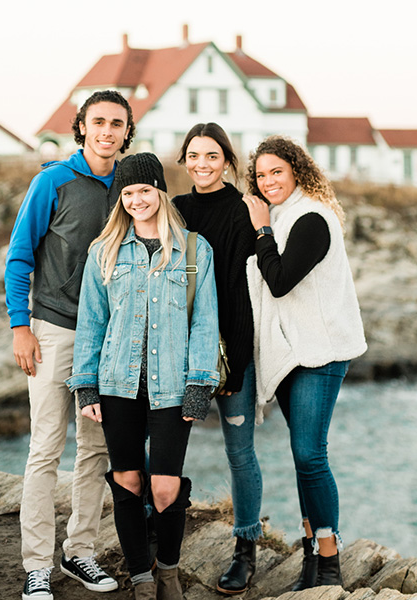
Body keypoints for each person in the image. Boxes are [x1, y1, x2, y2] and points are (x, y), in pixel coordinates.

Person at [67, 152, 220, 600]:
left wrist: (199, 385)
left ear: (160, 192)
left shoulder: (194, 249)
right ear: (121, 198)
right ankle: (141, 578)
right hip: (117, 385)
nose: (137, 200)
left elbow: (205, 321)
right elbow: (91, 322)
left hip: (173, 387)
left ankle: (168, 573)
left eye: (145, 191)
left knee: (165, 488)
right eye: (129, 193)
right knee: (128, 482)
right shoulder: (104, 251)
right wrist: (85, 386)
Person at [5, 90, 135, 600]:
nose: (107, 131)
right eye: (98, 122)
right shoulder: (52, 181)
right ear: (82, 127)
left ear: (127, 131)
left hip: (109, 338)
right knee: (45, 449)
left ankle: (80, 551)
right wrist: (21, 326)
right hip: (54, 331)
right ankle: (36, 565)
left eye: (117, 123)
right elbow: (20, 256)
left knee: (95, 450)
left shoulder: (130, 185)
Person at [242, 135, 367, 590]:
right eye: (261, 175)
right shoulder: (281, 216)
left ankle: (329, 559)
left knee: (310, 453)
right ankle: (312, 554)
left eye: (277, 171)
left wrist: (261, 230)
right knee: (303, 456)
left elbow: (279, 281)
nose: (268, 181)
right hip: (291, 351)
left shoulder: (311, 218)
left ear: (296, 171)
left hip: (320, 351)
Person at [172, 123, 263, 594]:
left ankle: (245, 549)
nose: (202, 164)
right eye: (194, 155)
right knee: (165, 446)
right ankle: (158, 533)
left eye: (212, 156)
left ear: (227, 160)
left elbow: (244, 288)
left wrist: (239, 360)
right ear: (184, 160)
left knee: (239, 451)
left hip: (230, 350)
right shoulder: (175, 209)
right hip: (177, 351)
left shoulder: (244, 208)